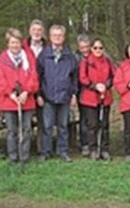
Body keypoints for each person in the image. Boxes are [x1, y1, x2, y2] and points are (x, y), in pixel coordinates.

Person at [0, 29, 39, 164]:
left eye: (17, 42)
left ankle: (24, 155)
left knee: (26, 129)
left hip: (27, 100)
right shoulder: (2, 60)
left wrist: (27, 91)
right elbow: (0, 80)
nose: (15, 45)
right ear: (8, 44)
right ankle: (13, 156)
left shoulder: (29, 58)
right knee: (11, 130)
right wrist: (10, 93)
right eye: (12, 42)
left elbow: (34, 77)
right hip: (9, 101)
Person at [37, 24, 78, 163]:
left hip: (65, 96)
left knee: (63, 126)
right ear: (50, 37)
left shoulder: (69, 56)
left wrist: (73, 94)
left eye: (60, 35)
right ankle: (46, 151)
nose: (57, 38)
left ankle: (63, 151)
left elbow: (74, 77)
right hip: (47, 96)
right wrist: (39, 95)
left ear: (64, 37)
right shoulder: (44, 55)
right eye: (54, 35)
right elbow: (38, 76)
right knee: (47, 126)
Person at [79, 39, 115, 161]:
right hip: (90, 98)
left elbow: (113, 76)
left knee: (104, 125)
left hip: (105, 97)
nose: (98, 50)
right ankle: (93, 149)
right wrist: (95, 86)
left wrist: (106, 85)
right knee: (92, 125)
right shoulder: (86, 61)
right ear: (91, 49)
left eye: (100, 48)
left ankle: (104, 149)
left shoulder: (108, 61)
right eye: (95, 48)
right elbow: (83, 78)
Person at [22, 19, 47, 155]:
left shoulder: (48, 47)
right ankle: (24, 150)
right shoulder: (22, 47)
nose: (37, 32)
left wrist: (41, 93)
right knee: (25, 123)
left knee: (43, 122)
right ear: (30, 31)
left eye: (39, 30)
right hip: (26, 90)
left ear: (43, 32)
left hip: (44, 89)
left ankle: (41, 150)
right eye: (34, 30)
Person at [74, 34, 91, 156]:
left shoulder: (97, 55)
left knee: (95, 121)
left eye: (87, 47)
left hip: (96, 92)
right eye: (82, 47)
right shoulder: (75, 58)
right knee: (84, 119)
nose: (85, 50)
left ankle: (95, 143)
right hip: (81, 92)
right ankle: (85, 144)